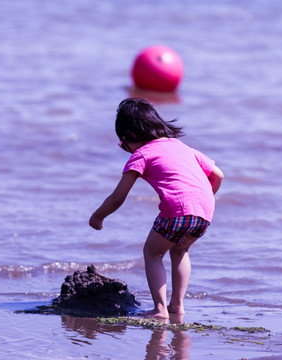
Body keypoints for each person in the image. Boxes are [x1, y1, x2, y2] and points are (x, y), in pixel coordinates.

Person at [89, 98, 224, 319]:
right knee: (180, 250)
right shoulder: (182, 146)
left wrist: (98, 217)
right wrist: (202, 199)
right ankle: (177, 306)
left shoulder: (141, 154)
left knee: (153, 252)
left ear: (131, 136)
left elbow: (117, 197)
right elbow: (218, 175)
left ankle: (159, 309)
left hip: (177, 210)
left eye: (123, 144)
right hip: (205, 211)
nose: (125, 150)